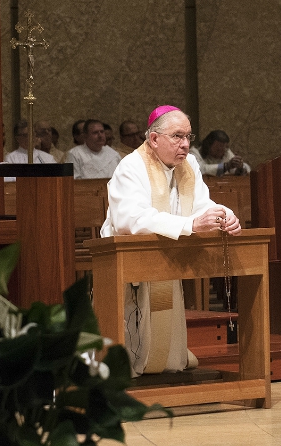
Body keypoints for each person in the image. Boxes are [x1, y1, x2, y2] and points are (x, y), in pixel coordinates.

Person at [101, 105, 242, 375]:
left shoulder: (188, 166)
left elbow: (202, 204)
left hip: (166, 256)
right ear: (154, 139)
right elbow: (132, 219)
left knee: (166, 346)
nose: (186, 144)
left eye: (189, 137)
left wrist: (225, 216)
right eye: (177, 136)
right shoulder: (131, 166)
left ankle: (165, 363)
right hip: (128, 263)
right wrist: (190, 224)